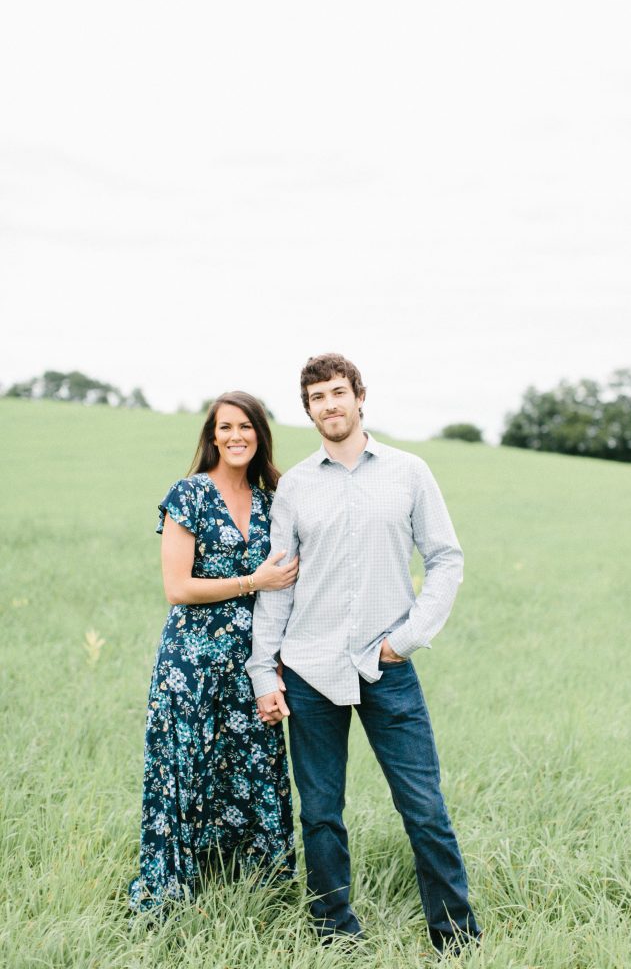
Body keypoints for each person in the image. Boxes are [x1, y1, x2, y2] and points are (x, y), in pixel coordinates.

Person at [247, 354, 481, 954]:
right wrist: (263, 673)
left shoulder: (408, 471)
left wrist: (405, 639)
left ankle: (455, 937)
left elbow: (446, 558)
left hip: (386, 667)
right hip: (308, 669)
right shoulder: (296, 485)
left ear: (359, 397)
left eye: (337, 393)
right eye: (317, 398)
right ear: (308, 410)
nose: (329, 405)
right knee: (321, 812)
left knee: (423, 806)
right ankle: (334, 934)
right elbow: (279, 583)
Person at [129, 392, 298, 913]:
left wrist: (275, 663)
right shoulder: (190, 495)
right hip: (193, 662)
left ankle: (257, 886)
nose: (235, 436)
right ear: (212, 436)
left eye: (245, 427)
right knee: (187, 766)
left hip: (252, 662)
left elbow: (289, 587)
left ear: (259, 435)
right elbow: (177, 588)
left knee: (254, 764)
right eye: (225, 427)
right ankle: (171, 891)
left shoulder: (274, 502)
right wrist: (253, 580)